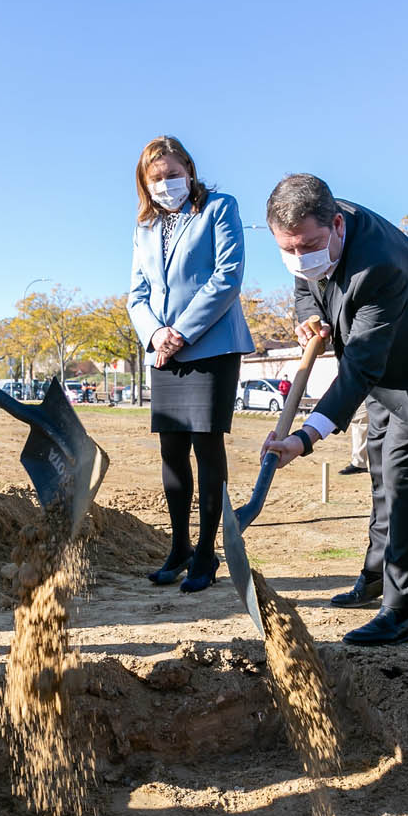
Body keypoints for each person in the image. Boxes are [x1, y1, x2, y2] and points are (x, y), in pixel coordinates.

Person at [260, 175, 408, 646]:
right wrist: (309, 314)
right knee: (380, 471)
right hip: (389, 371)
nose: (300, 258)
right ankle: (374, 576)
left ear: (337, 225)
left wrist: (305, 438)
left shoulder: (378, 265)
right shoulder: (309, 229)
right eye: (289, 250)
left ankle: (402, 611)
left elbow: (358, 366)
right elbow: (307, 281)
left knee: (404, 476)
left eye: (310, 246)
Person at [128, 136, 253, 593]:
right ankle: (179, 545)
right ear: (145, 183)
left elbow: (227, 275)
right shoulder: (143, 228)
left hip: (210, 345)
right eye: (156, 178)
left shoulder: (219, 207)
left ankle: (206, 551)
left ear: (190, 170)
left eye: (172, 174)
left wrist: (181, 330)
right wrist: (156, 333)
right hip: (164, 350)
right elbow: (136, 293)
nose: (166, 184)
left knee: (206, 446)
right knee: (171, 450)